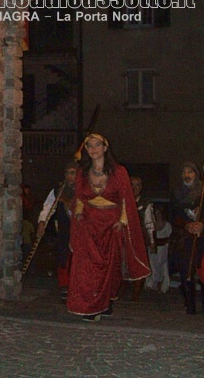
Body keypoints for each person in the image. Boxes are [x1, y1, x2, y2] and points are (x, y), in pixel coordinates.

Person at [66, 134, 150, 322]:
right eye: (89, 146)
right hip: (89, 224)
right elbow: (80, 198)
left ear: (105, 147)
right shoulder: (82, 173)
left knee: (109, 268)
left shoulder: (119, 172)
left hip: (111, 225)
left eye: (97, 145)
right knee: (87, 268)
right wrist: (79, 212)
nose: (93, 149)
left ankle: (104, 304)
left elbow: (125, 200)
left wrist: (121, 221)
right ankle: (89, 306)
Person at [169, 162, 204, 315]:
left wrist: (202, 223)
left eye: (190, 172)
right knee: (186, 271)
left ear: (196, 174)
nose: (187, 175)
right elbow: (173, 214)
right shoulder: (177, 192)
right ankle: (190, 305)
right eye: (184, 172)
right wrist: (186, 225)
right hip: (185, 237)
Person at [37, 160, 78, 300]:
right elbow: (48, 207)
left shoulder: (85, 189)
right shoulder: (58, 190)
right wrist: (42, 222)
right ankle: (65, 286)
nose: (69, 176)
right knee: (63, 257)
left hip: (81, 230)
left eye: (73, 173)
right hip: (64, 229)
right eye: (67, 173)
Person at [130, 175, 156, 301]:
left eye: (137, 185)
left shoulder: (145, 203)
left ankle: (136, 293)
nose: (134, 188)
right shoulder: (121, 200)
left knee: (139, 265)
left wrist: (152, 241)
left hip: (139, 238)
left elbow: (149, 223)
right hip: (123, 237)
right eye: (132, 184)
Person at [145, 205, 172, 293]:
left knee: (161, 266)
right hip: (152, 248)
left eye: (159, 213)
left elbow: (168, 238)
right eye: (156, 213)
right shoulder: (151, 224)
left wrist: (160, 242)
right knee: (152, 265)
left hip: (162, 249)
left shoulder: (167, 225)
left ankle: (159, 285)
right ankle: (150, 284)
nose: (158, 215)